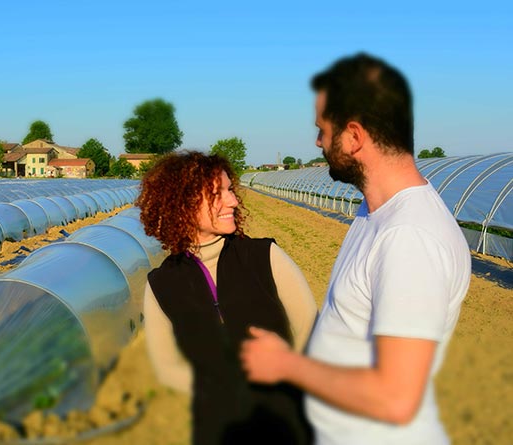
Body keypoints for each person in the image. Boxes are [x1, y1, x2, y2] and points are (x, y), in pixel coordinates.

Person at [240, 53, 471, 445]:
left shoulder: (408, 237)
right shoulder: (374, 211)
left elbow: (395, 399)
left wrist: (286, 365)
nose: (317, 142)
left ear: (354, 136)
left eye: (322, 131)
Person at [135, 150, 317, 445]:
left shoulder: (265, 257)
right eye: (217, 194)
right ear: (183, 205)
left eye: (230, 190)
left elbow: (310, 328)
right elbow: (166, 366)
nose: (233, 200)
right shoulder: (161, 285)